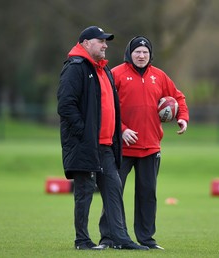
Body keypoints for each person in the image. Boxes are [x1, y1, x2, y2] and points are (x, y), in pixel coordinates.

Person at [57, 26, 149, 251]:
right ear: (86, 43)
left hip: (106, 145)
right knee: (84, 193)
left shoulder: (103, 70)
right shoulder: (75, 68)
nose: (105, 45)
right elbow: (66, 105)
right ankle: (82, 240)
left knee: (113, 190)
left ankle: (120, 238)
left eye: (105, 41)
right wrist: (85, 132)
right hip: (85, 145)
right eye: (101, 41)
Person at [101, 36, 189, 250]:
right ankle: (108, 238)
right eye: (137, 52)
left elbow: (178, 98)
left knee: (147, 194)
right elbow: (105, 106)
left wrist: (182, 118)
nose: (141, 56)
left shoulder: (159, 76)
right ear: (129, 53)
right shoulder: (116, 74)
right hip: (122, 147)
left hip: (150, 147)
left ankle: (146, 239)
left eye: (145, 52)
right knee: (114, 193)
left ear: (150, 55)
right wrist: (121, 130)